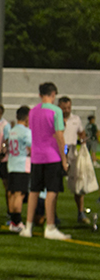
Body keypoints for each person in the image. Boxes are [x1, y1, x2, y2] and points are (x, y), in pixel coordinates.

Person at [20, 82, 70, 240]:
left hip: (36, 156)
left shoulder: (33, 111)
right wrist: (64, 159)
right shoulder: (56, 111)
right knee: (52, 191)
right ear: (53, 94)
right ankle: (50, 226)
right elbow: (60, 136)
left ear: (40, 94)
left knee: (34, 191)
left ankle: (28, 226)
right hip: (52, 156)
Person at [59, 96, 89, 224]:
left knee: (78, 184)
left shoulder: (76, 119)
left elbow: (81, 133)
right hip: (58, 153)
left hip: (72, 152)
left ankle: (81, 212)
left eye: (68, 108)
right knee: (55, 184)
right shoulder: (55, 119)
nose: (67, 110)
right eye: (64, 108)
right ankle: (51, 214)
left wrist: (83, 139)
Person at [7, 106, 32, 232]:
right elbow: (32, 148)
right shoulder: (26, 131)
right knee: (19, 194)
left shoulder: (12, 131)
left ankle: (13, 222)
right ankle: (17, 222)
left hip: (11, 164)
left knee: (12, 193)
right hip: (22, 166)